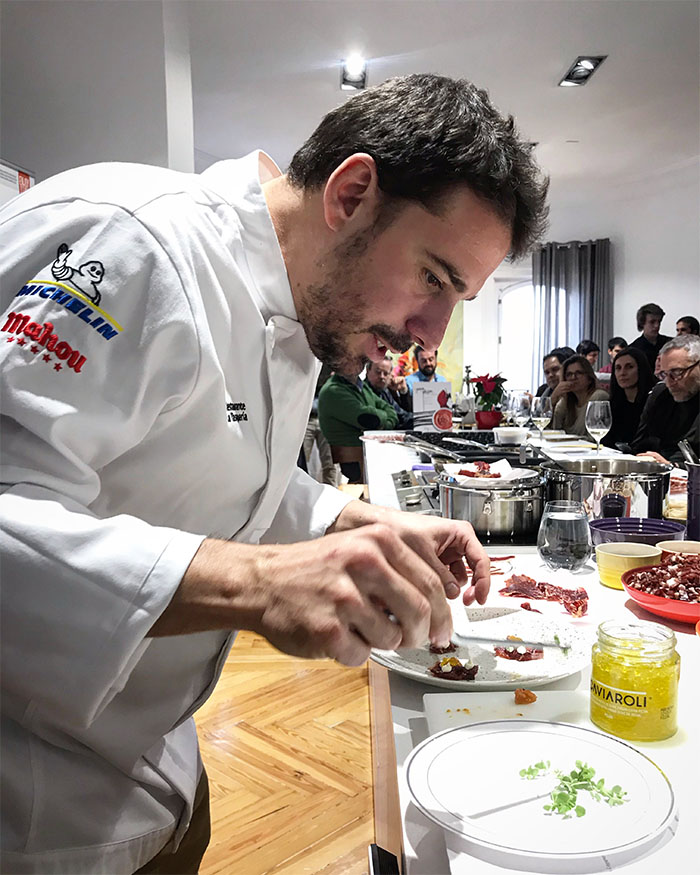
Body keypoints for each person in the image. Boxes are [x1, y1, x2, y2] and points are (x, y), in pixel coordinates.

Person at [0, 73, 550, 873]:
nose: (432, 334)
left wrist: (361, 523)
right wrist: (255, 583)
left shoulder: (300, 306)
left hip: (159, 758)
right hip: (35, 800)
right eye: (435, 278)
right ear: (353, 191)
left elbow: (208, 467)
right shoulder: (132, 244)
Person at [317, 368, 400, 481]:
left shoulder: (360, 385)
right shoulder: (333, 390)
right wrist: (385, 417)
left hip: (371, 454)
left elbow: (390, 409)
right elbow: (369, 419)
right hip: (356, 461)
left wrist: (384, 418)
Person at [632, 335, 700, 466]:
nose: (669, 382)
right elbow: (639, 444)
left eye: (677, 372)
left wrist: (671, 466)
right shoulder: (660, 395)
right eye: (664, 374)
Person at [601, 347, 656, 448]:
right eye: (618, 368)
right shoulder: (613, 404)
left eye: (629, 367)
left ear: (641, 369)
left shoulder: (654, 402)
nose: (622, 373)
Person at [550, 355, 609, 436]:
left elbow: (592, 438)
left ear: (589, 378)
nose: (573, 377)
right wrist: (553, 398)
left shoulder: (598, 396)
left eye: (578, 373)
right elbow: (553, 430)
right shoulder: (566, 401)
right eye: (569, 374)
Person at [302, 362, 338, 485]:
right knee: (300, 461)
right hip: (307, 418)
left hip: (326, 418)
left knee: (330, 463)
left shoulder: (332, 360)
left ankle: (333, 494)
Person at [365, 356, 413, 428]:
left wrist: (425, 419)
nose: (382, 377)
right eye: (378, 372)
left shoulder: (385, 391)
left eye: (386, 373)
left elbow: (402, 416)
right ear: (368, 371)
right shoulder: (361, 391)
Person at [629, 303, 672, 373]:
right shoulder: (633, 349)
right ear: (642, 323)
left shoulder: (669, 344)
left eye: (659, 321)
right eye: (652, 322)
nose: (657, 325)